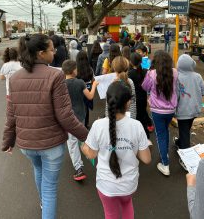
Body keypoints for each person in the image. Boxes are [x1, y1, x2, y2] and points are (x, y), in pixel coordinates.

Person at [1, 34, 88, 219]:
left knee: (38, 170)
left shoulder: (15, 78)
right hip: (51, 146)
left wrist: (8, 140)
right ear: (41, 53)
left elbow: (11, 113)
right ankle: (45, 204)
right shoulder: (55, 75)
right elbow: (65, 116)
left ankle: (42, 203)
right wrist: (87, 136)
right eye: (51, 49)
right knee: (50, 189)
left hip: (27, 146)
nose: (55, 51)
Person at [81, 82, 151, 219]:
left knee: (110, 213)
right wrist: (140, 145)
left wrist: (83, 147)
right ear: (128, 103)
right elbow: (147, 159)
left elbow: (91, 153)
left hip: (106, 185)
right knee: (127, 205)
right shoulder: (137, 126)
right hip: (129, 184)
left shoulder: (98, 125)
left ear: (108, 101)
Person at [142, 50, 178, 176]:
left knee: (160, 135)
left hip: (157, 110)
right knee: (165, 131)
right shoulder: (174, 72)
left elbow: (144, 87)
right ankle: (165, 153)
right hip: (171, 110)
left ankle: (165, 164)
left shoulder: (151, 74)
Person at [62, 60, 98, 181]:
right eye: (76, 69)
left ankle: (79, 168)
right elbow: (90, 96)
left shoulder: (61, 84)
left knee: (72, 142)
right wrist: (94, 86)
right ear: (73, 70)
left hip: (68, 117)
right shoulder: (80, 82)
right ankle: (91, 155)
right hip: (81, 114)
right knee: (83, 136)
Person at [174, 54, 204, 166]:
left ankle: (186, 159)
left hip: (182, 111)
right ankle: (180, 142)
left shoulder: (177, 77)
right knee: (186, 129)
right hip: (194, 109)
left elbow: (174, 95)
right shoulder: (197, 76)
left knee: (184, 130)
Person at [128, 53, 152, 145]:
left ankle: (138, 139)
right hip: (143, 97)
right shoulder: (145, 71)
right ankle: (146, 137)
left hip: (134, 99)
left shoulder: (130, 74)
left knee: (136, 119)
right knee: (142, 117)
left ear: (131, 62)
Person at [76, 50, 95, 129]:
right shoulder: (89, 68)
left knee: (78, 106)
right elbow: (93, 79)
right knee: (86, 107)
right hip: (88, 90)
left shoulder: (76, 68)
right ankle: (86, 124)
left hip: (78, 90)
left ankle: (79, 123)